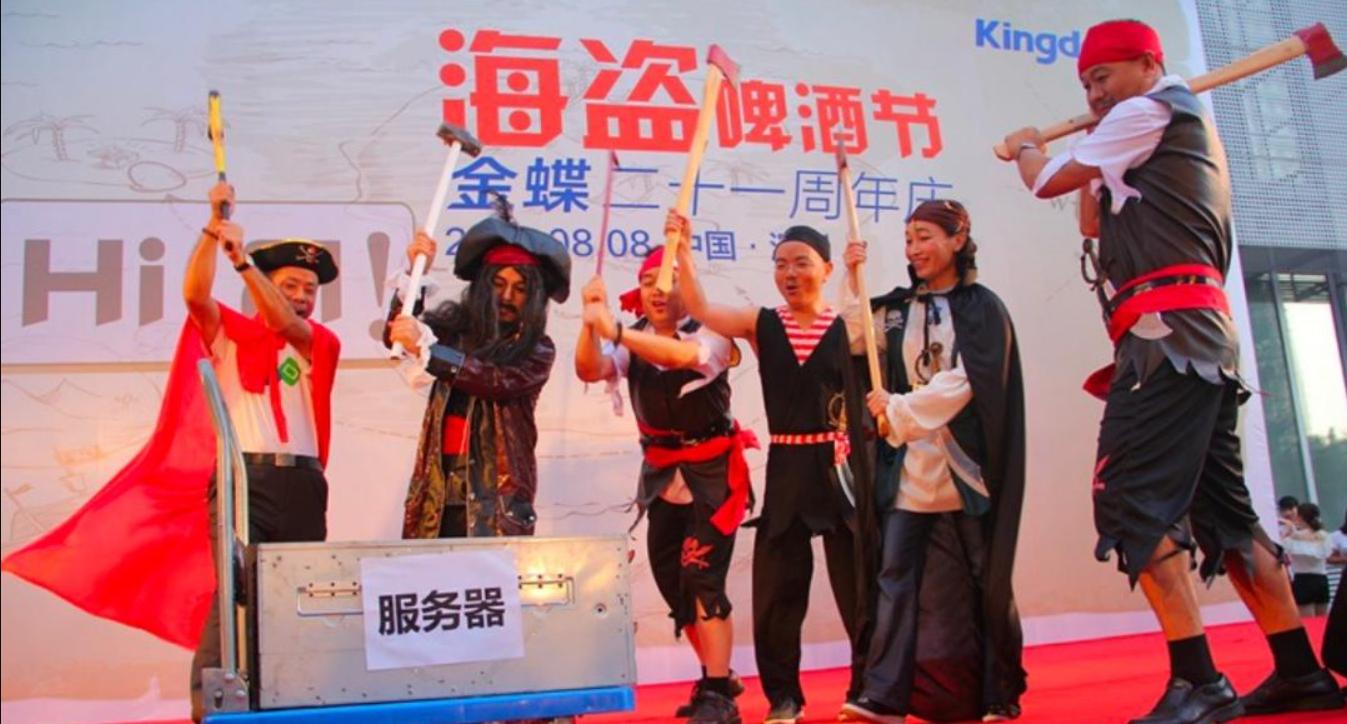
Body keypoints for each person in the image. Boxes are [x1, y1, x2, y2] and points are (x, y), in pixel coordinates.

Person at [1002, 18, 1344, 722]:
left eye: (1103, 76)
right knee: (1224, 513)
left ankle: (1198, 680)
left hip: (1168, 337)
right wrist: (1091, 151)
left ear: (1147, 65)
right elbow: (1091, 222)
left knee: (1130, 498)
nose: (1095, 93)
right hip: (1189, 337)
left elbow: (1046, 183)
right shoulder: (1153, 124)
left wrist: (1031, 148)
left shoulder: (1150, 109)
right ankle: (1298, 671)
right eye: (1086, 84)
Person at [675, 215, 873, 724]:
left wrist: (857, 278)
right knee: (778, 594)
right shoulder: (763, 323)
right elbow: (700, 308)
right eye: (781, 264)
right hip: (787, 467)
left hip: (839, 468)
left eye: (801, 263)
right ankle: (784, 698)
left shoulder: (851, 326)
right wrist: (685, 252)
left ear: (825, 269)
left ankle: (868, 690)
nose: (789, 273)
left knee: (859, 588)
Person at [837, 200, 1027, 724]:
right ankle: (883, 694)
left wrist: (899, 408)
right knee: (894, 576)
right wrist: (853, 281)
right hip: (911, 468)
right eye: (908, 239)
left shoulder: (983, 309)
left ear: (957, 238)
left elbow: (968, 381)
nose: (914, 249)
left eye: (925, 237)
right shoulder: (899, 308)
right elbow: (855, 338)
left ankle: (998, 692)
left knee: (987, 577)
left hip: (966, 468)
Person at [574, 238, 757, 724]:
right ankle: (717, 676)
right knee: (674, 586)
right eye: (647, 282)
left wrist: (612, 328)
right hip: (661, 478)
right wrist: (589, 321)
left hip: (713, 477)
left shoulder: (713, 334)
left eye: (668, 282)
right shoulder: (631, 337)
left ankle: (719, 696)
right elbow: (589, 369)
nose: (657, 291)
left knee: (702, 578)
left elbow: (680, 357)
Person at [186, 181, 342, 720]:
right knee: (235, 593)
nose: (302, 295)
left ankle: (290, 703)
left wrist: (244, 265)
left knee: (295, 594)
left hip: (302, 482)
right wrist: (214, 230)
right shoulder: (228, 334)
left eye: (309, 289)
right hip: (243, 482)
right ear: (267, 286)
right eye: (291, 284)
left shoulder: (318, 341)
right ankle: (213, 710)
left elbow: (284, 322)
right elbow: (194, 296)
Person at [386, 199, 570, 538]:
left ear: (533, 298)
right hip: (437, 496)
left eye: (520, 289)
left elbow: (493, 380)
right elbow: (396, 335)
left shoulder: (537, 350)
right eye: (498, 284)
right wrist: (415, 276)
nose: (507, 296)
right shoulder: (451, 332)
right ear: (483, 287)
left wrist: (427, 350)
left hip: (496, 503)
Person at [1283, 503, 1334, 617]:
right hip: (1321, 580)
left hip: (1303, 581)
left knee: (1308, 622)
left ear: (1300, 517)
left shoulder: (1292, 538)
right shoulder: (1325, 535)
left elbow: (1282, 550)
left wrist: (1287, 532)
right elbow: (1327, 554)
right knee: (1323, 620)